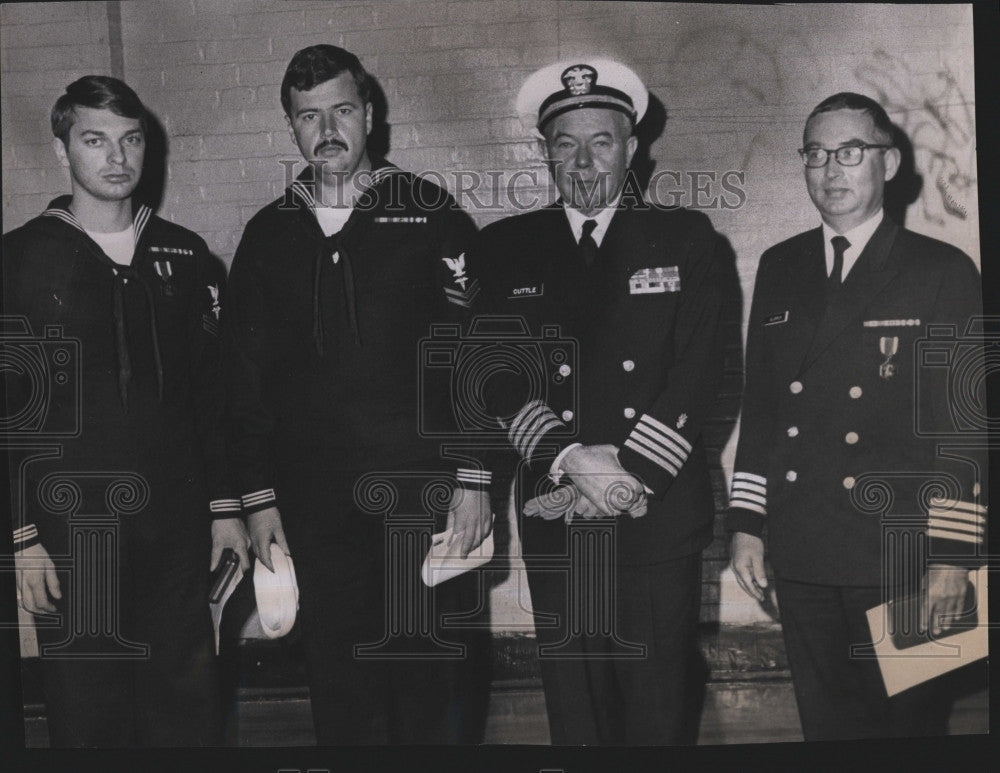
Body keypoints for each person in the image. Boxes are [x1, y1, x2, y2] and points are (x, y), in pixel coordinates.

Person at [223, 44, 490, 744]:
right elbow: (242, 380)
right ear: (292, 129)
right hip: (315, 505)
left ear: (369, 114)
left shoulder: (432, 218)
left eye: (342, 109)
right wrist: (257, 497)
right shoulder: (268, 234)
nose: (328, 129)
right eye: (308, 116)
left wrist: (474, 476)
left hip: (422, 497)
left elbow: (475, 357)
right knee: (341, 682)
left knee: (432, 676)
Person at [466, 59, 728, 744]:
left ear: (632, 147)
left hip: (656, 511)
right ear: (544, 150)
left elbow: (701, 370)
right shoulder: (506, 248)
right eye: (565, 142)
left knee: (658, 707)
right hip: (558, 514)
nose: (583, 160)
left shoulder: (688, 239)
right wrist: (568, 456)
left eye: (602, 140)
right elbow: (493, 373)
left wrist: (624, 474)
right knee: (577, 713)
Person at [727, 92, 987, 741]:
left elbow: (965, 427)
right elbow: (761, 406)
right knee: (828, 730)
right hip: (804, 548)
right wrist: (747, 524)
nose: (830, 169)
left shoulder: (943, 269)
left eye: (849, 152)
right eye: (816, 154)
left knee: (911, 731)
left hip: (906, 554)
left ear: (888, 163)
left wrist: (953, 555)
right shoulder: (780, 265)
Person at [4, 75, 245, 747]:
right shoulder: (19, 259)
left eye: (131, 139)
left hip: (176, 529)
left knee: (186, 708)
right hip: (74, 527)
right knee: (88, 716)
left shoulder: (187, 255)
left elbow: (210, 395)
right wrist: (21, 536)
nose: (117, 157)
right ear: (64, 152)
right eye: (95, 140)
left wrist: (225, 508)